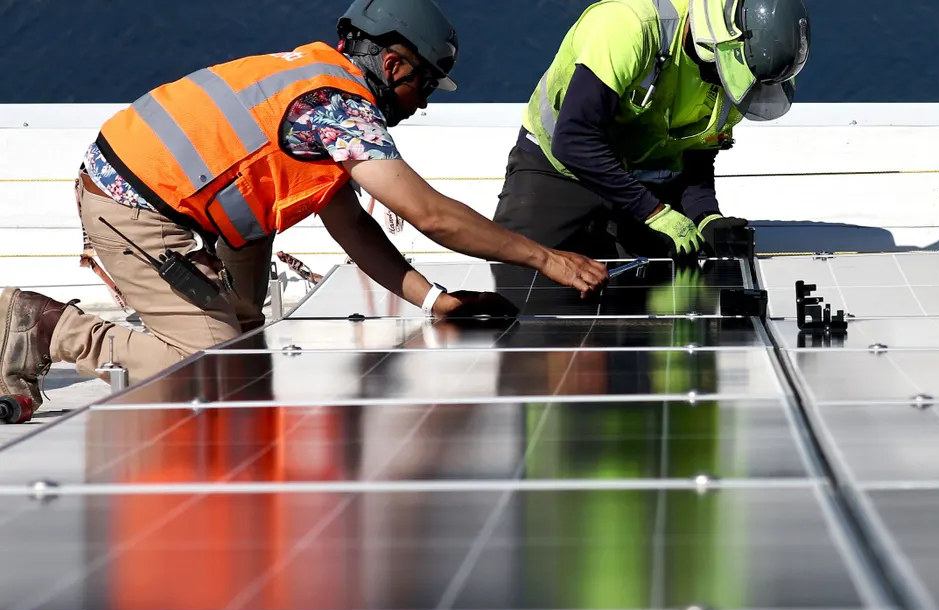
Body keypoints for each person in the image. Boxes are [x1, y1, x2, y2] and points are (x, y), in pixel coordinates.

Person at [0, 0, 609, 409]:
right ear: (392, 63)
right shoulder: (337, 109)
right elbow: (429, 214)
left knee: (244, 345)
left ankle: (222, 366)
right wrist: (546, 259)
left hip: (187, 202)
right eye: (422, 83)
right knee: (211, 364)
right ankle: (43, 326)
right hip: (137, 207)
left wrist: (434, 301)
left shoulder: (317, 83)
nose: (423, 102)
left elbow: (352, 226)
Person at [489, 0, 811, 311]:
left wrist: (706, 217)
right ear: (719, 41)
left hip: (639, 181)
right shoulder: (627, 26)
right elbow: (573, 139)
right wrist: (653, 212)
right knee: (522, 297)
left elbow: (697, 156)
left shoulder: (741, 77)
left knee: (662, 305)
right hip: (556, 169)